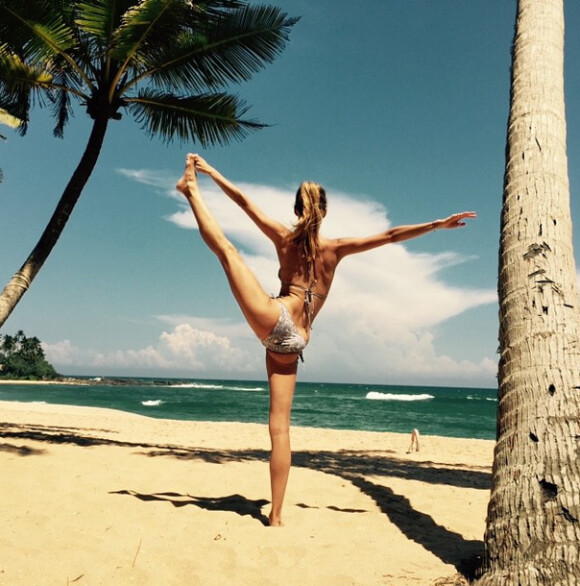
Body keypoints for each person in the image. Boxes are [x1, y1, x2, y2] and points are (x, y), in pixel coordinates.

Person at [176, 154, 475, 526]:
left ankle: (190, 193)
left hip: (276, 319)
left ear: (297, 208)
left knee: (228, 252)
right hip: (297, 341)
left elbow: (243, 203)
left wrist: (209, 172)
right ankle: (278, 515)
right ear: (325, 212)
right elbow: (389, 235)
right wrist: (437, 224)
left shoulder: (284, 237)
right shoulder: (336, 248)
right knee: (281, 429)